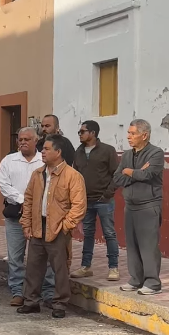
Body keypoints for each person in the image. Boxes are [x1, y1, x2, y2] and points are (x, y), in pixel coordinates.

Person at [18, 135, 87, 318]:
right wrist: (26, 224)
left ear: (58, 152)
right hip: (37, 226)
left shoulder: (73, 176)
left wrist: (65, 226)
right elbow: (28, 199)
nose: (43, 152)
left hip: (58, 228)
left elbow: (79, 206)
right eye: (43, 149)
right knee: (33, 267)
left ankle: (59, 304)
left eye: (47, 149)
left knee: (60, 268)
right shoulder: (38, 174)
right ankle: (31, 301)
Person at [0, 128, 56, 306]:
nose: (22, 142)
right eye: (20, 139)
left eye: (27, 139)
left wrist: (33, 203)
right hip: (16, 214)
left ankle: (47, 292)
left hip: (41, 216)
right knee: (15, 256)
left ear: (36, 141)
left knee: (44, 256)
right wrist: (24, 200)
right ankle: (18, 291)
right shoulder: (9, 161)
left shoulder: (44, 160)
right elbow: (4, 185)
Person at [114, 119, 165, 295]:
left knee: (148, 245)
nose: (129, 137)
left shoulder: (156, 153)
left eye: (133, 133)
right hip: (130, 205)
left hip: (148, 206)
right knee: (132, 244)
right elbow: (117, 178)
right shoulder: (127, 155)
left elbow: (148, 174)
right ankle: (136, 279)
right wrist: (135, 173)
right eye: (128, 133)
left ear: (144, 135)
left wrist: (129, 172)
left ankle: (152, 283)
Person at [72, 120, 121, 281]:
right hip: (85, 201)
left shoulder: (107, 150)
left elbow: (117, 174)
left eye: (82, 131)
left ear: (92, 133)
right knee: (88, 234)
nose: (80, 134)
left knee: (109, 234)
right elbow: (75, 176)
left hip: (104, 200)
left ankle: (113, 268)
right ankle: (86, 266)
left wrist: (107, 193)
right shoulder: (78, 152)